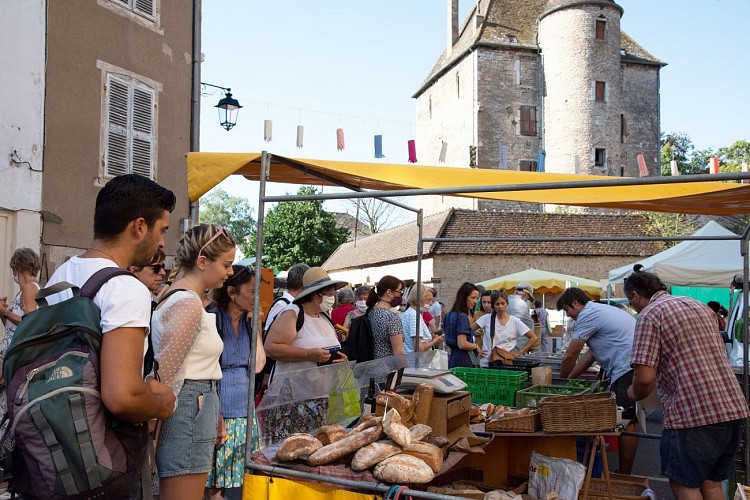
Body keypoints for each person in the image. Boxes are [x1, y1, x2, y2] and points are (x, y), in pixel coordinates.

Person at [44, 174, 177, 496]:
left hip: (57, 450)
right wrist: (163, 402)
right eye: (162, 231)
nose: (162, 243)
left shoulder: (62, 274)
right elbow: (123, 396)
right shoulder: (124, 288)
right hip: (105, 458)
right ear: (139, 226)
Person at [625, 269, 750, 500]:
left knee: (684, 485)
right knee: (711, 484)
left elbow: (644, 378)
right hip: (732, 405)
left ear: (634, 295)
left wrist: (632, 393)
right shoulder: (699, 306)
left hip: (694, 413)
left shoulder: (650, 314)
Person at [151, 223, 236, 499]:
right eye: (226, 264)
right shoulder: (187, 303)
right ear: (202, 261)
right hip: (187, 410)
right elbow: (167, 378)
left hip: (193, 406)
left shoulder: (176, 297)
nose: (230, 272)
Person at [556, 287, 639, 475]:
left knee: (626, 422)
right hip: (630, 367)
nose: (569, 316)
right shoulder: (601, 310)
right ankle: (624, 472)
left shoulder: (588, 314)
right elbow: (590, 355)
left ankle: (624, 475)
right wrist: (570, 378)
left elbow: (571, 354)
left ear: (576, 303)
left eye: (567, 310)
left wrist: (560, 380)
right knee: (629, 420)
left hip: (626, 368)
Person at [263, 267, 349, 441]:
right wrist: (309, 354)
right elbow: (271, 347)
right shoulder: (293, 313)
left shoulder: (324, 317)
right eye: (328, 293)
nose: (332, 297)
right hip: (292, 401)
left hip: (320, 399)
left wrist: (340, 360)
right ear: (315, 295)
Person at [205, 264, 266, 500]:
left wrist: (257, 327)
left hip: (243, 410)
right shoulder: (213, 318)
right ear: (232, 292)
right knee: (216, 483)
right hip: (220, 409)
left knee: (239, 479)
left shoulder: (248, 323)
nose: (256, 297)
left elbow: (258, 365)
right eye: (251, 291)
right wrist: (215, 413)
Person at [0, 248, 41, 439]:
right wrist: (4, 314)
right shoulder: (25, 291)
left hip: (15, 357)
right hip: (10, 351)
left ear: (19, 267)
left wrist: (7, 313)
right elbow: (13, 328)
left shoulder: (30, 288)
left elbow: (30, 322)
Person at [472, 291, 537, 367]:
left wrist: (519, 352)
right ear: (493, 305)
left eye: (503, 303)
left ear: (507, 304)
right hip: (486, 362)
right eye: (497, 304)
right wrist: (476, 347)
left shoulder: (514, 321)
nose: (500, 307)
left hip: (505, 362)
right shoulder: (487, 318)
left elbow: (533, 338)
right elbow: (467, 330)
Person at [444, 282, 483, 368]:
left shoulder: (449, 314)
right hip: (464, 359)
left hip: (453, 358)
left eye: (477, 298)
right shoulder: (462, 316)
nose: (475, 301)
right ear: (464, 297)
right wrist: (475, 346)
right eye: (472, 298)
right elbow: (462, 344)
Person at [366, 275, 406, 358]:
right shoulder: (392, 318)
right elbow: (398, 353)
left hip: (372, 364)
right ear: (389, 292)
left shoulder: (370, 312)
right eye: (400, 292)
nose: (401, 296)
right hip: (388, 367)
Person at [401, 284, 445, 352]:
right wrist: (434, 342)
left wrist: (434, 341)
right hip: (416, 361)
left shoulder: (410, 313)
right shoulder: (414, 316)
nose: (431, 304)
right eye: (428, 300)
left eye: (431, 300)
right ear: (418, 299)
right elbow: (419, 348)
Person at [506, 282, 535, 352]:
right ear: (525, 294)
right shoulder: (522, 304)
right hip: (516, 346)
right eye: (528, 297)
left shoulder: (506, 299)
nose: (527, 299)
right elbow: (528, 326)